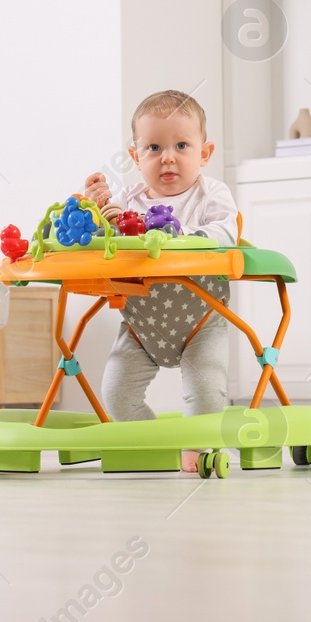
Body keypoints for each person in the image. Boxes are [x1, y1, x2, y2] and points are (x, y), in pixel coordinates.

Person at [83, 90, 237, 472]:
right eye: (153, 147)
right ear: (135, 157)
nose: (168, 156)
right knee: (116, 395)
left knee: (206, 392)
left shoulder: (211, 194)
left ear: (204, 153)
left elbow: (224, 233)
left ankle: (197, 448)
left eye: (181, 145)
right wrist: (95, 209)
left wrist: (181, 238)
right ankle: (155, 445)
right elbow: (106, 240)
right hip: (142, 322)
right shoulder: (129, 199)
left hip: (202, 318)